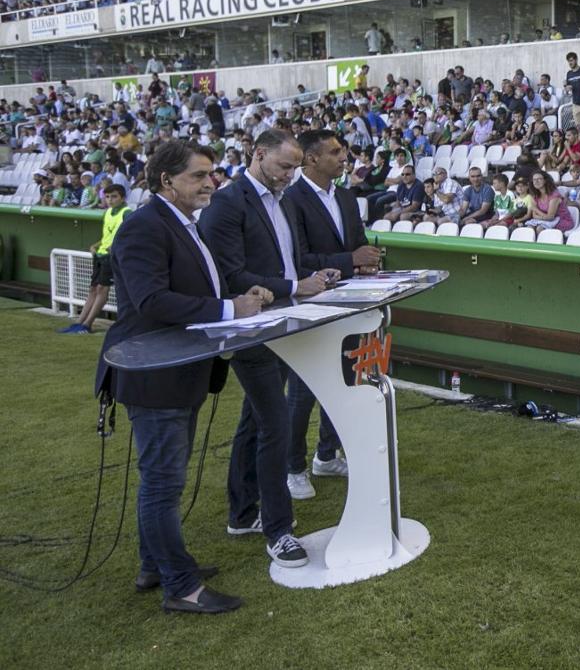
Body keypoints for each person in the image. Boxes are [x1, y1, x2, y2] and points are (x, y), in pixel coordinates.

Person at [97, 140, 270, 614]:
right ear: (166, 181)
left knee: (160, 479)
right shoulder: (142, 228)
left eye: (211, 174)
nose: (210, 182)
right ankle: (181, 586)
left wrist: (238, 296)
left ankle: (154, 565)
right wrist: (229, 308)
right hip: (155, 376)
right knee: (162, 483)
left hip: (180, 372)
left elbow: (194, 288)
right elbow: (152, 301)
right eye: (199, 175)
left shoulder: (181, 224)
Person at [199, 130, 336, 570]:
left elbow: (290, 260)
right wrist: (295, 286)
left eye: (295, 167)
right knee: (274, 423)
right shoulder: (228, 201)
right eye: (283, 166)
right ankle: (279, 530)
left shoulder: (284, 198)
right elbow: (230, 273)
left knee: (255, 420)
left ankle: (242, 514)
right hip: (253, 327)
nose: (290, 175)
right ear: (258, 155)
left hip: (282, 321)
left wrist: (320, 273)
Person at [282, 131, 382, 500]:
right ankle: (292, 467)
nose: (344, 158)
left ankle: (326, 454)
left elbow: (354, 244)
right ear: (310, 159)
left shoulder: (345, 196)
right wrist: (350, 260)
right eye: (335, 152)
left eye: (343, 151)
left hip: (349, 304)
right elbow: (296, 259)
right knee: (303, 391)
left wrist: (366, 260)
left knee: (344, 381)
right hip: (310, 308)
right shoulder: (290, 200)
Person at [59, 184, 131, 335]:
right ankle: (79, 323)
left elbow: (131, 235)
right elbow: (107, 236)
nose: (110, 200)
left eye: (114, 196)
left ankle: (87, 324)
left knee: (102, 289)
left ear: (122, 198)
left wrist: (115, 246)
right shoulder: (108, 212)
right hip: (100, 255)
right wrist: (96, 245)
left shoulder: (127, 213)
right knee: (92, 289)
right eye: (107, 197)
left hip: (112, 257)